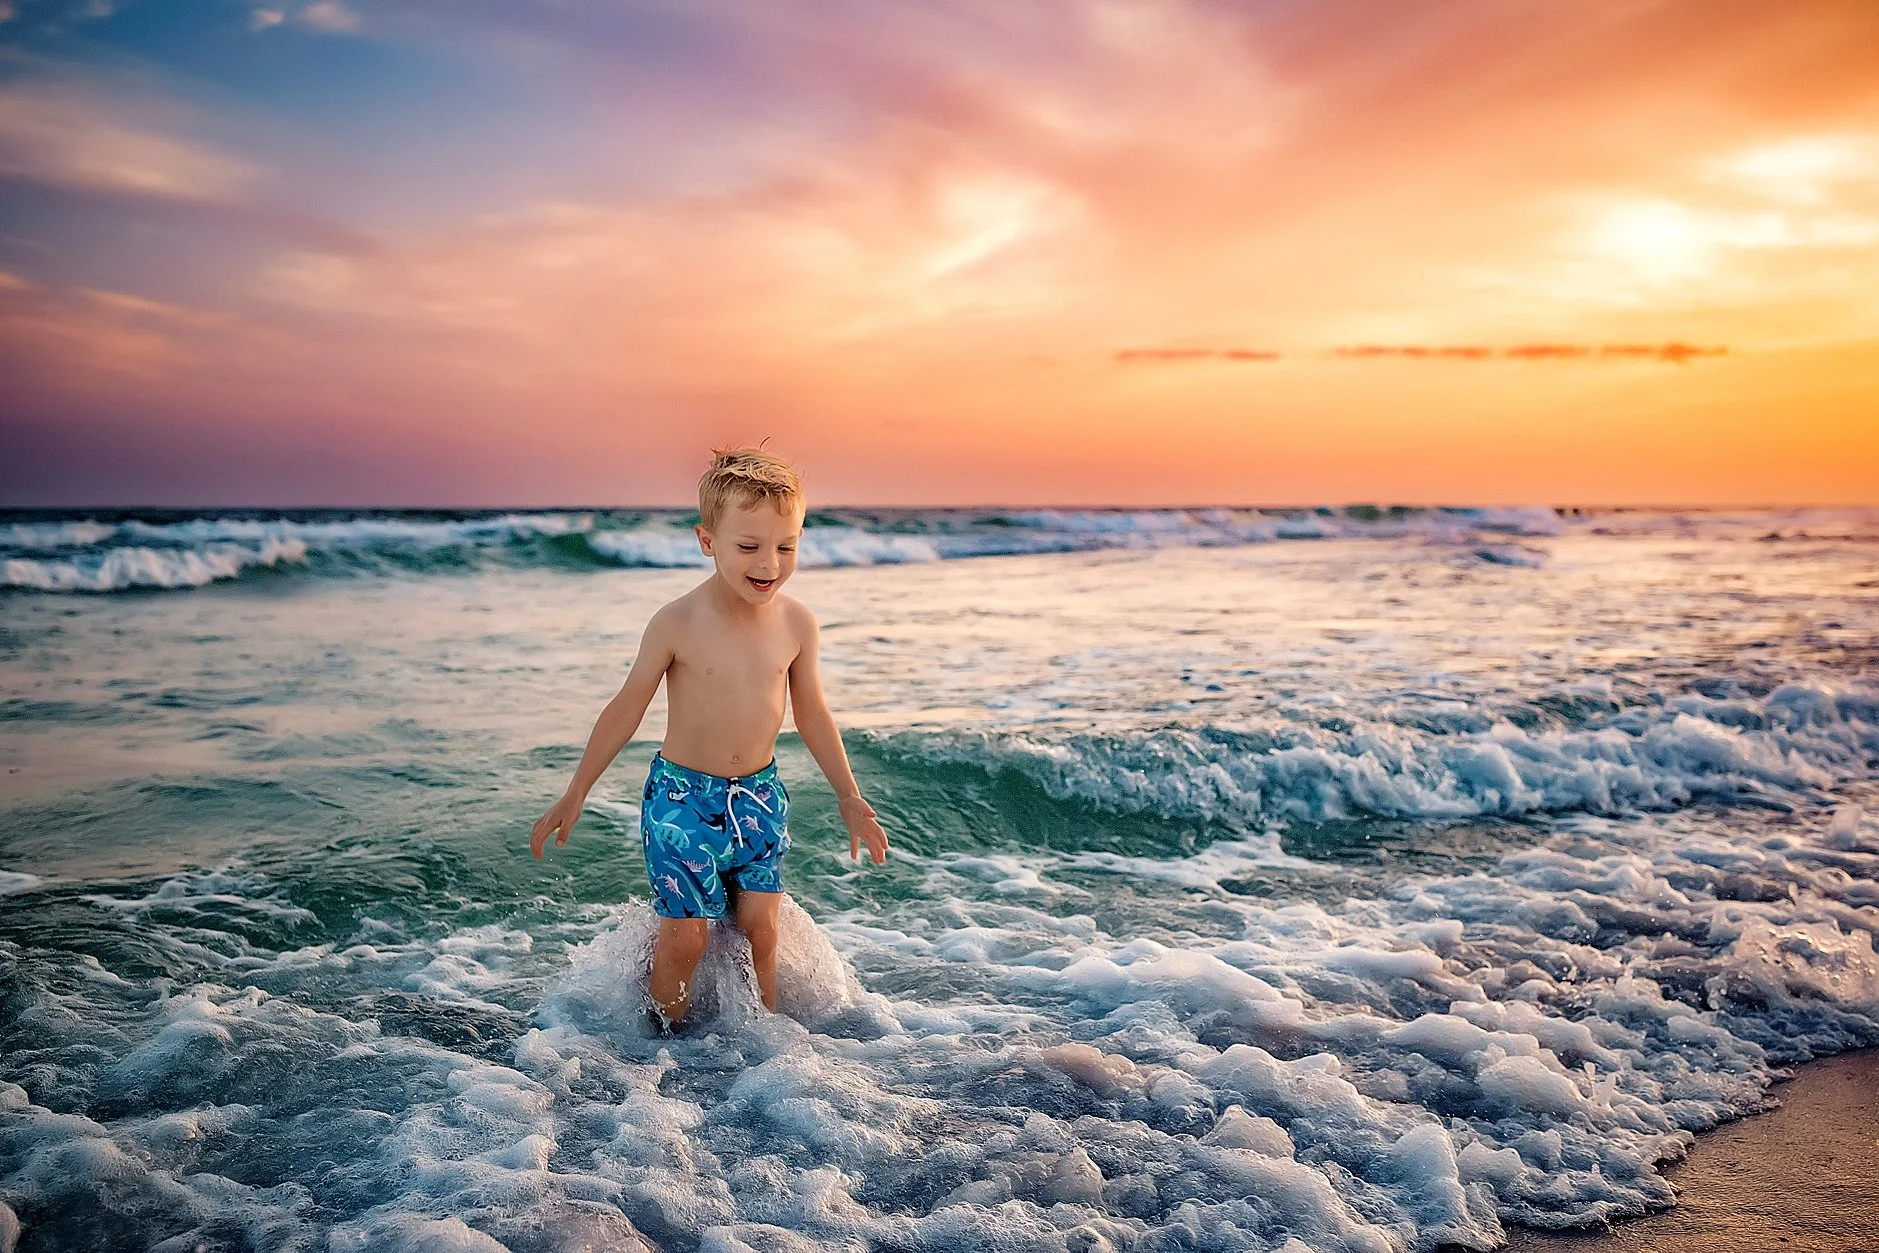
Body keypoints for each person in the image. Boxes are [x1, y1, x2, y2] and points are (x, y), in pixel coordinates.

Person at [528, 446, 889, 1029]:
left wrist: (849, 796)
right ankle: (665, 1046)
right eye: (748, 547)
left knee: (761, 932)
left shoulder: (797, 624)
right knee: (687, 939)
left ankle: (767, 1052)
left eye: (786, 546)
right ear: (706, 541)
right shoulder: (677, 621)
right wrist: (576, 793)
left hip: (761, 800)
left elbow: (813, 712)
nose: (769, 562)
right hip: (681, 802)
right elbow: (626, 708)